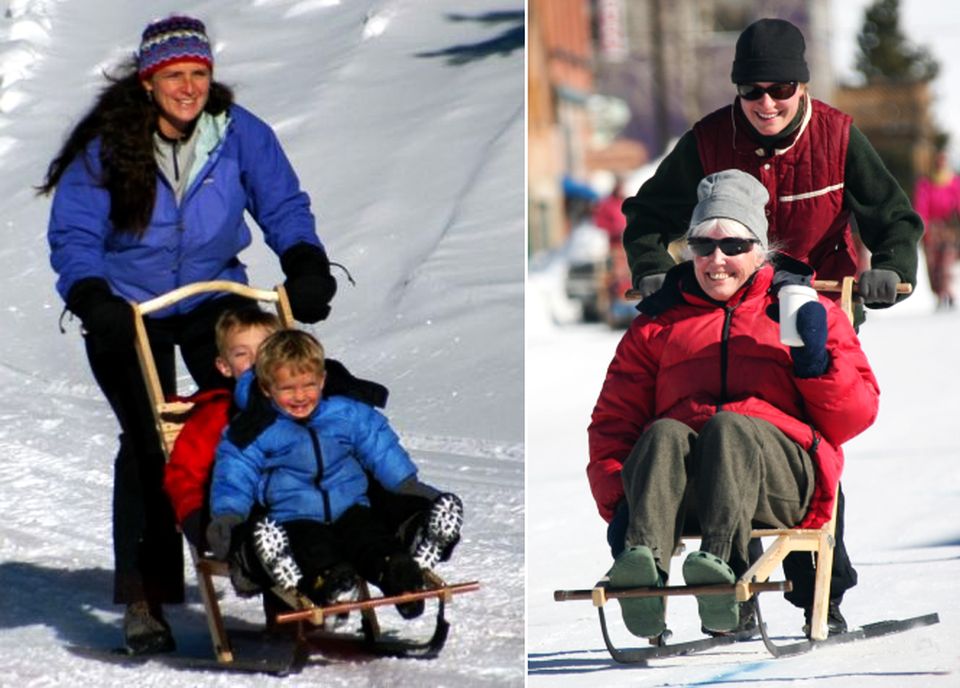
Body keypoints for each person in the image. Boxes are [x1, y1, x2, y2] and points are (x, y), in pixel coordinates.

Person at [40, 15, 337, 654]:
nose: (188, 87)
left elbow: (282, 203)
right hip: (124, 309)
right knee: (151, 442)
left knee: (256, 420)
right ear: (149, 82)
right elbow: (74, 235)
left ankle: (279, 562)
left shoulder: (237, 134)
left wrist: (305, 260)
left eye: (199, 73)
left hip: (212, 300)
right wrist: (91, 294)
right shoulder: (107, 145)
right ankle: (146, 600)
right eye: (174, 75)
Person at [618, 17, 921, 631]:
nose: (766, 104)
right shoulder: (708, 139)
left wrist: (888, 268)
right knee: (718, 424)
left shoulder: (837, 136)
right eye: (751, 91)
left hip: (809, 306)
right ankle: (728, 577)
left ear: (802, 87)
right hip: (724, 300)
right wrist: (653, 268)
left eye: (780, 89)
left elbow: (893, 216)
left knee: (806, 434)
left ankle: (822, 590)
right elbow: (648, 214)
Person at [589, 170, 879, 638]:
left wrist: (815, 363)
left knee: (729, 426)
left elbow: (855, 415)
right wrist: (623, 500)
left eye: (733, 246)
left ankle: (722, 573)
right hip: (688, 492)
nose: (716, 260)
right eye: (702, 246)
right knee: (662, 433)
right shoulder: (658, 326)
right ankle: (641, 568)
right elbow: (613, 422)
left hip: (781, 482)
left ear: (760, 248)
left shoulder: (799, 308)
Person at [206, 330, 463, 620]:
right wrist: (229, 516)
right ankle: (327, 582)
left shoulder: (344, 413)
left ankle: (402, 576)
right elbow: (234, 471)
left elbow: (378, 445)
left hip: (351, 506)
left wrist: (407, 484)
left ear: (323, 380)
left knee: (372, 540)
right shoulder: (256, 426)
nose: (301, 396)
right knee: (315, 550)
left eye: (309, 385)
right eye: (288, 389)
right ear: (267, 388)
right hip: (294, 516)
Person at [914, 150, 960, 310]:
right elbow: (921, 205)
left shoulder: (954, 182)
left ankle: (948, 290)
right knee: (933, 263)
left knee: (946, 260)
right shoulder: (926, 183)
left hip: (948, 227)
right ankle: (939, 292)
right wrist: (923, 226)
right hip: (932, 229)